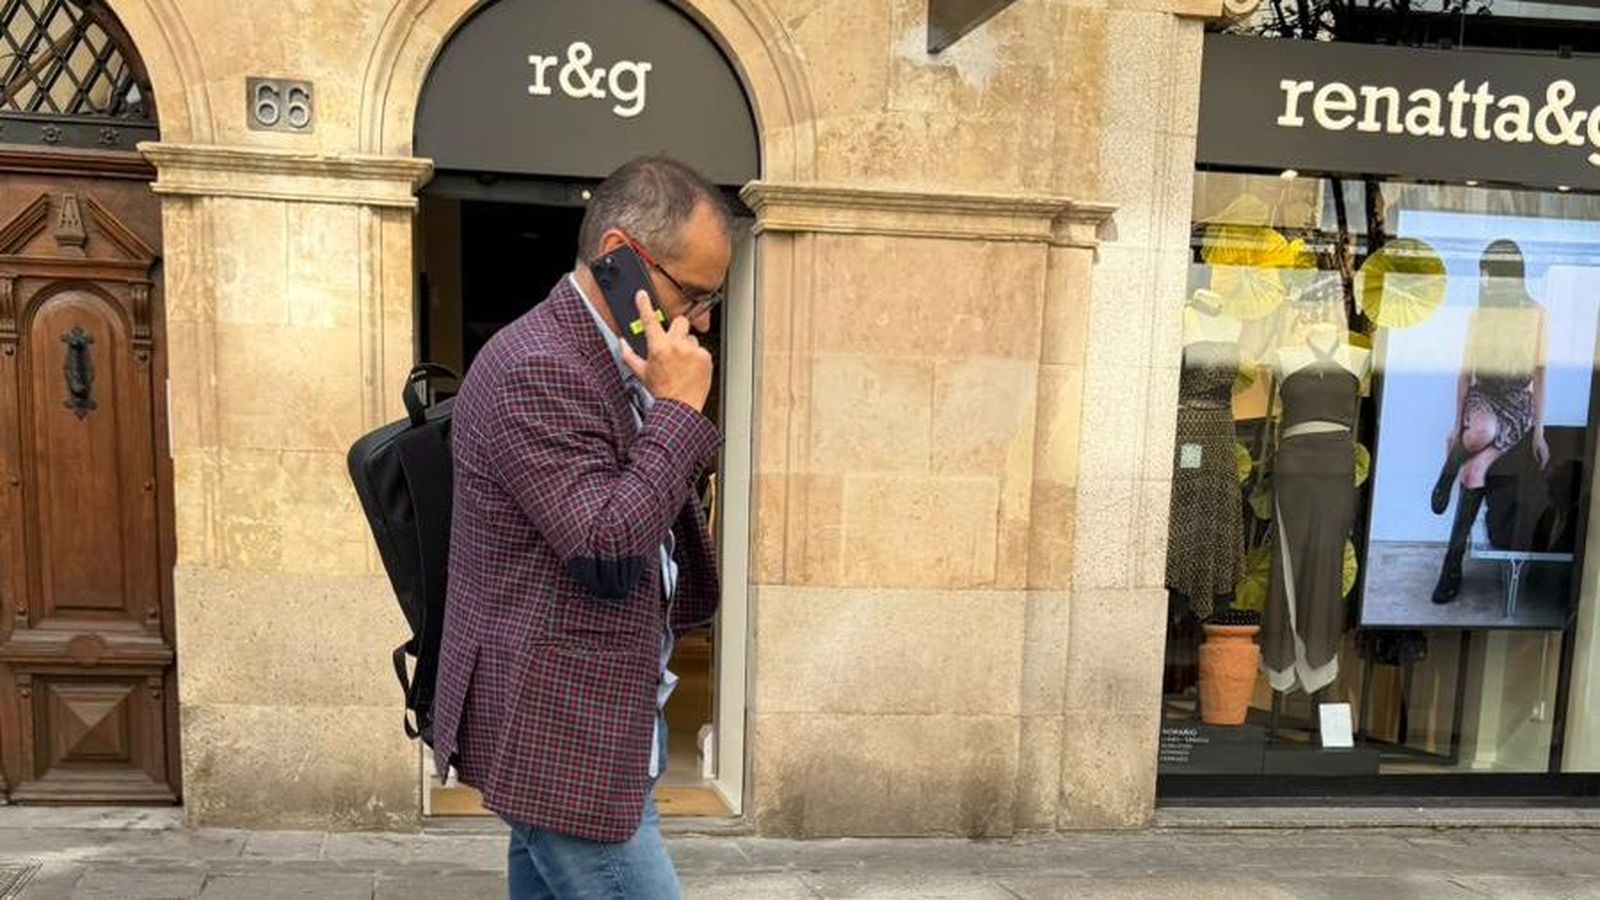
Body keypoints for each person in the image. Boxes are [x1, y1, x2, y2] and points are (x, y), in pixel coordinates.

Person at [431, 156, 731, 898]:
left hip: (599, 720)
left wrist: (664, 406)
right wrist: (679, 411)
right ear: (620, 258)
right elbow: (606, 547)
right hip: (562, 731)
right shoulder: (540, 367)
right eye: (692, 293)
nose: (702, 320)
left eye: (712, 297)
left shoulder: (611, 359)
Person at [1428, 239, 1549, 604]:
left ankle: (1451, 564)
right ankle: (1448, 471)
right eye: (1482, 274)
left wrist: (1539, 432)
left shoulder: (1536, 314)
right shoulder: (1478, 316)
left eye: (1489, 273)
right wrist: (1456, 427)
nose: (1484, 281)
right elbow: (1466, 374)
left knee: (1475, 472)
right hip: (1485, 394)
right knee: (1480, 431)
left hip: (1517, 401)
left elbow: (1540, 376)